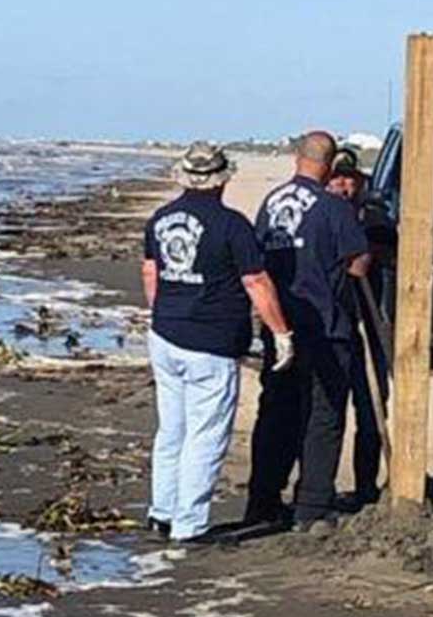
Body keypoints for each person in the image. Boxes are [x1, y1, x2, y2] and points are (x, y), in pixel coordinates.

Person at [142, 141, 293, 544]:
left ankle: (162, 510)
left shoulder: (160, 218)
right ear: (222, 179)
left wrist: (167, 312)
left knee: (172, 428)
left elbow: (151, 274)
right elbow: (256, 282)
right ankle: (188, 524)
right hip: (211, 341)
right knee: (205, 434)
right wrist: (281, 333)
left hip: (166, 333)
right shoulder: (232, 225)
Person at [245, 131, 370, 532]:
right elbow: (358, 263)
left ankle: (263, 498)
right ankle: (312, 505)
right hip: (323, 323)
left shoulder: (271, 202)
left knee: (277, 409)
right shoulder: (333, 208)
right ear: (330, 166)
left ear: (297, 158)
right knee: (324, 413)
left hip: (279, 321)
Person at [327, 150, 385, 511]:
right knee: (328, 410)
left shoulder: (373, 218)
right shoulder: (320, 216)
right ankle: (320, 486)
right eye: (338, 178)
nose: (345, 185)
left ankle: (366, 486)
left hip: (370, 321)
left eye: (351, 179)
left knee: (372, 407)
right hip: (332, 323)